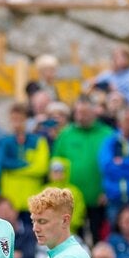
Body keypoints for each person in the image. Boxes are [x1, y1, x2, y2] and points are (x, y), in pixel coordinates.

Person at [52, 98, 114, 240]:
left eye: (85, 112)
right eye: (78, 112)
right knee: (73, 237)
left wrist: (107, 190)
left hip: (98, 198)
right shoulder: (66, 135)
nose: (80, 116)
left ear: (94, 112)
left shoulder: (107, 134)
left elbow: (113, 166)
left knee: (98, 235)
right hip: (72, 199)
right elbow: (56, 164)